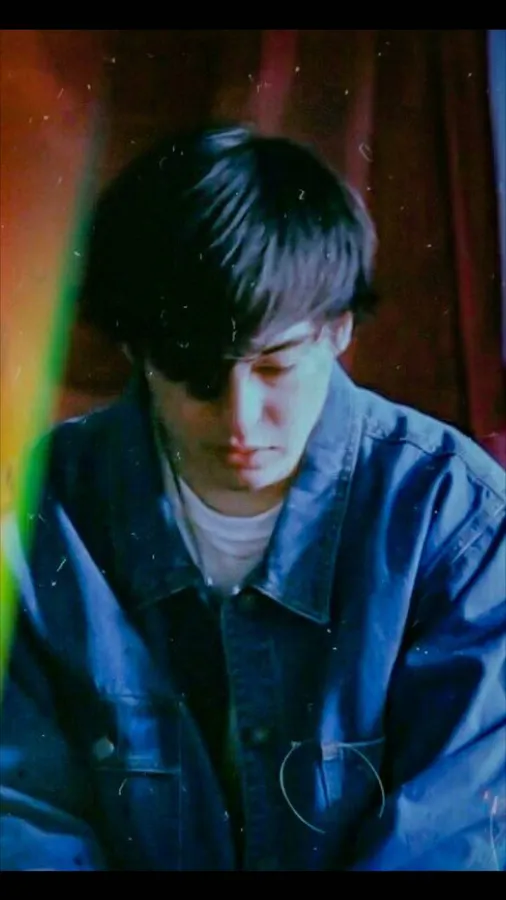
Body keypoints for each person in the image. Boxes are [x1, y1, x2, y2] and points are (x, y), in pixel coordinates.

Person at [1, 124, 505, 872]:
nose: (240, 420)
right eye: (196, 374)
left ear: (337, 330)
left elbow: (454, 836)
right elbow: (24, 817)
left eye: (275, 367)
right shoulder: (47, 509)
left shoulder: (455, 518)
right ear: (137, 350)